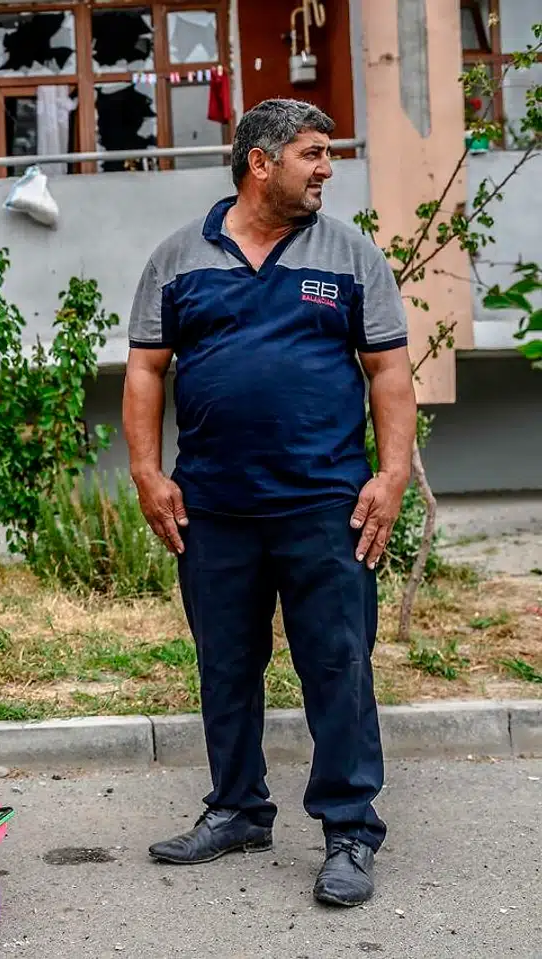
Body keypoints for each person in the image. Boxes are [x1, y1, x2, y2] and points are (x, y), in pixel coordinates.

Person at [123, 98, 417, 907]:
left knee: (337, 665)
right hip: (213, 506)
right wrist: (150, 474)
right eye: (312, 153)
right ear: (261, 162)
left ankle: (350, 828)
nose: (327, 168)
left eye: (329, 153)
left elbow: (390, 372)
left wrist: (389, 477)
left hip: (327, 504)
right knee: (225, 664)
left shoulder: (351, 256)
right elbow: (146, 370)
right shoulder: (179, 259)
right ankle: (239, 808)